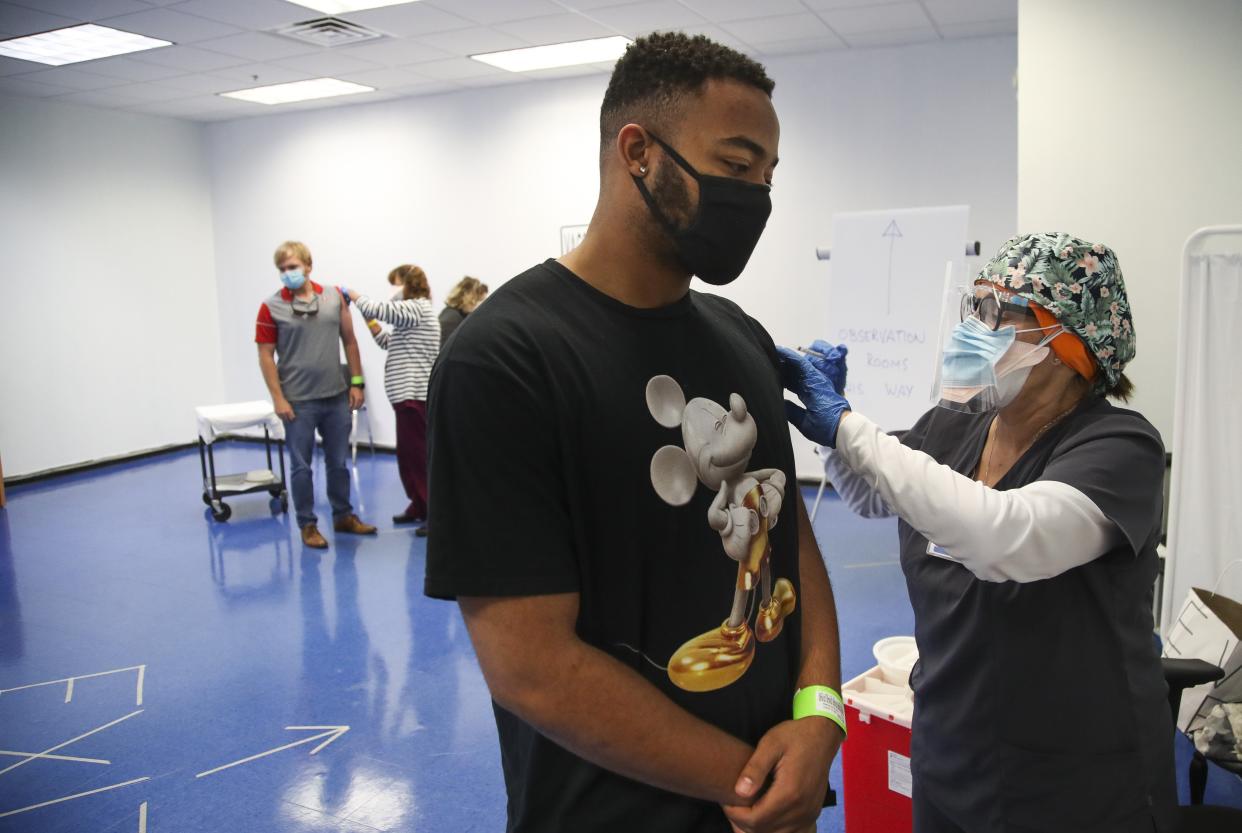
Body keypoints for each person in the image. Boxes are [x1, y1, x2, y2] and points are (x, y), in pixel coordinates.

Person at [424, 32, 845, 833]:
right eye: (735, 163)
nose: (755, 194)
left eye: (768, 175)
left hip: (771, 805)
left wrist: (821, 714)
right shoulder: (506, 361)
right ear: (638, 152)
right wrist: (754, 781)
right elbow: (532, 668)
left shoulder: (739, 335)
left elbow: (792, 539)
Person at [780, 233, 1176, 833]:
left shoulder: (1120, 448)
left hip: (1074, 783)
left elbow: (1003, 538)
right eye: (975, 306)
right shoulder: (955, 424)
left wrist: (852, 431)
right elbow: (870, 494)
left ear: (1069, 346)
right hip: (950, 754)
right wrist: (833, 428)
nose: (976, 328)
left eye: (1001, 314)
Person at [255, 241, 377, 549]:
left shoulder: (334, 298)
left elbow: (350, 341)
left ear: (309, 266)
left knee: (338, 462)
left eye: (293, 267)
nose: (287, 274)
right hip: (297, 401)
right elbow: (266, 355)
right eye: (282, 270)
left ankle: (343, 516)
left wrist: (357, 382)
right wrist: (278, 398)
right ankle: (308, 525)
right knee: (301, 467)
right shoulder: (271, 307)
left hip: (336, 395)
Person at [341, 265, 440, 533]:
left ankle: (432, 511)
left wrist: (354, 295)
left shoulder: (416, 308)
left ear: (408, 285)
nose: (392, 292)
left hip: (413, 395)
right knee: (408, 456)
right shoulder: (410, 317)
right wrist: (367, 318)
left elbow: (381, 310)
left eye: (395, 285)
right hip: (404, 396)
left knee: (418, 456)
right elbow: (387, 341)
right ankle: (418, 505)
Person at [438, 276, 488, 348]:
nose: (477, 305)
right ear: (465, 296)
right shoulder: (452, 318)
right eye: (476, 300)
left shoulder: (453, 314)